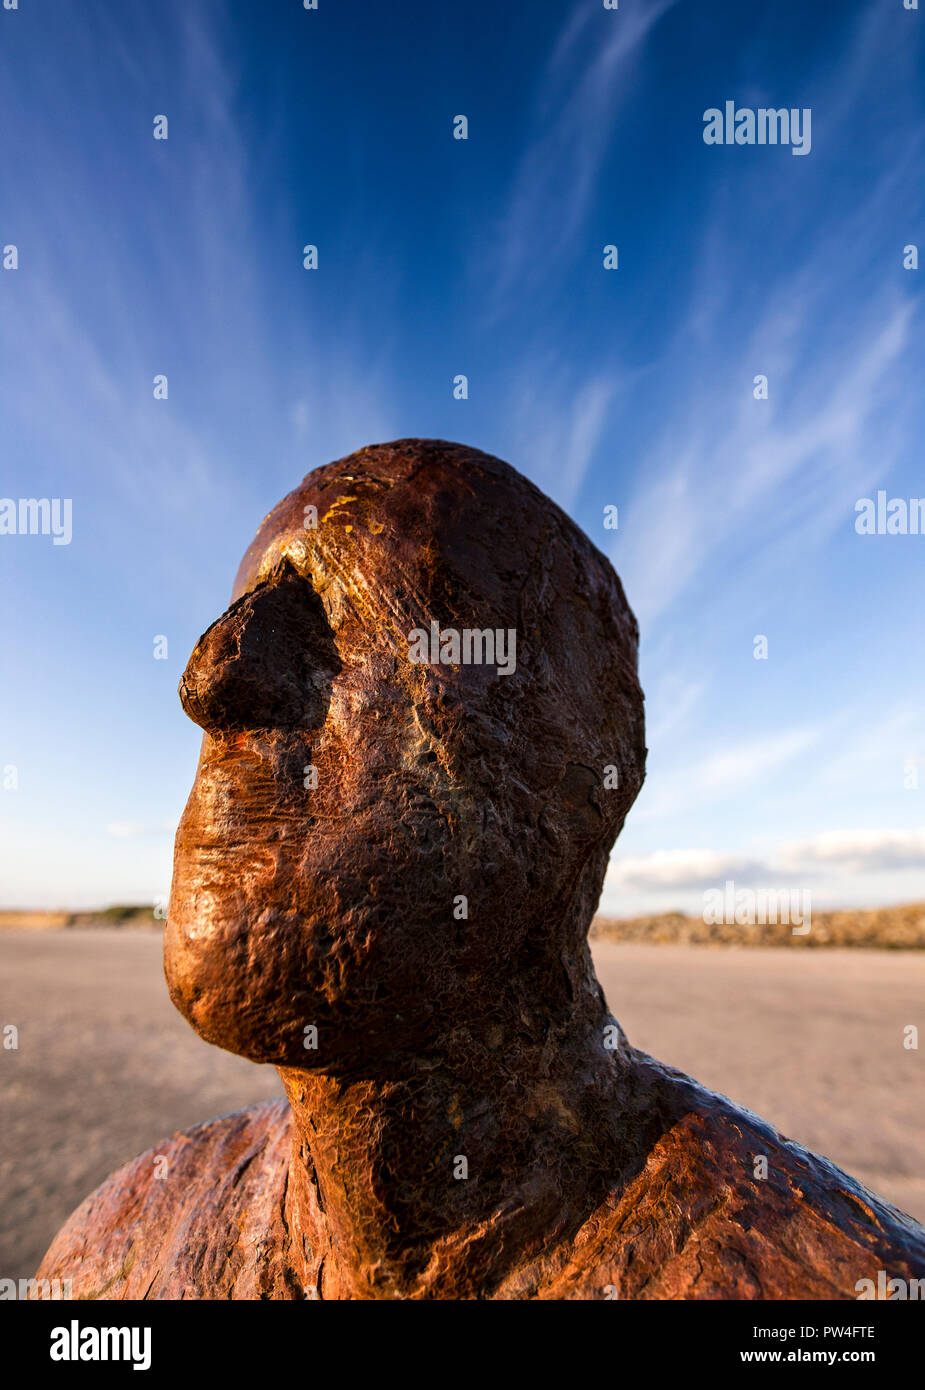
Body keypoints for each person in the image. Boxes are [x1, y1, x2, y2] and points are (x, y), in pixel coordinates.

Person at [37, 439, 925, 1299]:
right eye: (244, 604)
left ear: (582, 766)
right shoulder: (113, 1254)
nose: (211, 677)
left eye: (385, 606)